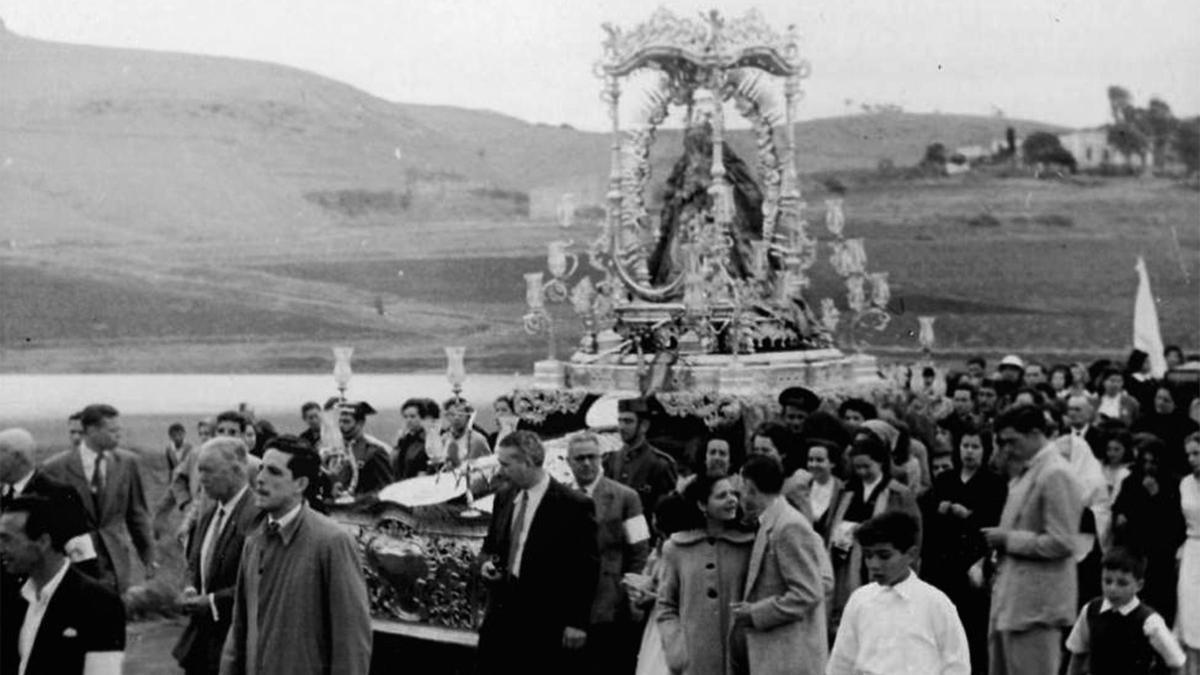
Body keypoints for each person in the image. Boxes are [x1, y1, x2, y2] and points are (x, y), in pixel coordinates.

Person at [219, 435, 371, 675]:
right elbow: (239, 630)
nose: (260, 479)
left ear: (300, 484)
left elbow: (351, 643)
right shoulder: (253, 541)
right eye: (261, 468)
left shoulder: (332, 542)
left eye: (274, 472)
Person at [478, 431, 598, 675]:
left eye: (506, 464)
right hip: (501, 611)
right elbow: (492, 545)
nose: (500, 471)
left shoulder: (573, 505)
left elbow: (586, 568)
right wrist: (487, 565)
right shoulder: (504, 496)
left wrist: (577, 622)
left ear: (528, 463)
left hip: (544, 618)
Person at [984, 404, 1083, 675]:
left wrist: (1009, 540)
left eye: (1012, 441)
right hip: (1014, 603)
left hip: (1038, 609)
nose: (1007, 449)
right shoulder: (1028, 471)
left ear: (1035, 434)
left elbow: (1063, 541)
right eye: (1003, 443)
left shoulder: (1056, 473)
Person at [828, 511, 969, 675]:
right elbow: (842, 661)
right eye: (868, 556)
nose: (874, 565)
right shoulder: (860, 600)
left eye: (884, 556)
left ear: (910, 555)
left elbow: (957, 664)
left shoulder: (934, 603)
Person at [0, 496, 126, 675]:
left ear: (43, 542)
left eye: (7, 539)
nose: (1, 548)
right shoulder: (12, 598)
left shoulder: (99, 602)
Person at [40, 404, 156, 593]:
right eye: (113, 431)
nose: (119, 435)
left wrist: (149, 558)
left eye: (119, 430)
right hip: (74, 563)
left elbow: (137, 515)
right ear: (92, 431)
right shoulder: (54, 468)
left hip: (115, 561)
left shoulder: (128, 463)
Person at [172, 438, 263, 675]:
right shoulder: (211, 512)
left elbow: (259, 580)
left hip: (233, 645)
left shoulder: (257, 516)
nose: (201, 479)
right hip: (201, 645)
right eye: (199, 470)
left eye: (208, 470)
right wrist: (190, 588)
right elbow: (195, 561)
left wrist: (212, 602)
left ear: (237, 470)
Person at [732, 455, 828, 675]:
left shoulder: (788, 526)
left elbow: (808, 593)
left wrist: (755, 613)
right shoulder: (771, 521)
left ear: (750, 487)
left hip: (788, 657)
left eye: (742, 488)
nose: (740, 495)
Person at [922, 424, 1006, 674]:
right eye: (965, 446)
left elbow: (995, 521)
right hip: (942, 563)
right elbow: (929, 515)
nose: (969, 452)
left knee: (972, 628)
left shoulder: (994, 483)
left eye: (975, 447)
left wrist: (969, 516)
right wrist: (941, 509)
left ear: (985, 450)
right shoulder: (945, 479)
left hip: (973, 565)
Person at [567, 432, 650, 675]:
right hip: (569, 604)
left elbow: (640, 550)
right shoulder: (559, 496)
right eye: (579, 458)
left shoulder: (626, 497)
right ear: (568, 461)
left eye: (591, 457)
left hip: (611, 604)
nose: (586, 463)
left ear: (601, 458)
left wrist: (632, 595)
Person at [656, 474, 755, 675]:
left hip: (740, 659)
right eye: (722, 496)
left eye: (733, 494)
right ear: (702, 504)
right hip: (693, 660)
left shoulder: (748, 546)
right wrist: (676, 646)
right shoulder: (675, 548)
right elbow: (666, 605)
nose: (732, 500)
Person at [826, 433, 922, 637]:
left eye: (867, 466)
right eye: (857, 467)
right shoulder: (846, 490)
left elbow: (913, 532)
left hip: (883, 563)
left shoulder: (899, 493)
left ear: (880, 463)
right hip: (847, 563)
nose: (862, 472)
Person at [1065, 547, 1186, 675]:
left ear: (1139, 585)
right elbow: (1077, 654)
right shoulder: (1091, 610)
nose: (1112, 589)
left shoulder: (1150, 621)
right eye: (1107, 581)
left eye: (1122, 583)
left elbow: (1177, 661)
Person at [1111, 437, 1185, 625]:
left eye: (1153, 462)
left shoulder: (1173, 484)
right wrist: (1120, 516)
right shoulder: (1131, 481)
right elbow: (1119, 506)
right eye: (1145, 461)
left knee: (1159, 599)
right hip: (1135, 547)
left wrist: (1157, 495)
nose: (1148, 467)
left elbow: (1175, 521)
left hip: (1161, 552)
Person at [603, 398, 677, 519]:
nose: (621, 427)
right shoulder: (610, 460)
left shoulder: (660, 464)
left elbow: (667, 510)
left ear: (644, 426)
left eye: (628, 421)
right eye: (620, 421)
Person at [335, 400, 394, 495]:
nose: (341, 426)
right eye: (340, 421)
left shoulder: (374, 452)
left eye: (346, 422)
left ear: (360, 423)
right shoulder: (338, 451)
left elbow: (387, 489)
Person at [1178, 432, 1200, 674]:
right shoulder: (1185, 483)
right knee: (1190, 614)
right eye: (1189, 455)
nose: (1192, 459)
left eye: (1197, 453)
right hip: (1192, 551)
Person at [805, 440, 844, 542]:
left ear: (832, 463)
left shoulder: (842, 490)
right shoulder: (801, 485)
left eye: (819, 460)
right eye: (810, 460)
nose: (813, 464)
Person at [438, 397, 491, 469]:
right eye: (452, 414)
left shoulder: (478, 439)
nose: (456, 418)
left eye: (460, 414)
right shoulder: (443, 439)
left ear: (468, 416)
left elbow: (490, 466)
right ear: (447, 417)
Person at [393, 397, 437, 479]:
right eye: (405, 417)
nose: (408, 420)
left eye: (412, 416)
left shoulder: (426, 441)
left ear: (421, 417)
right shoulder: (403, 440)